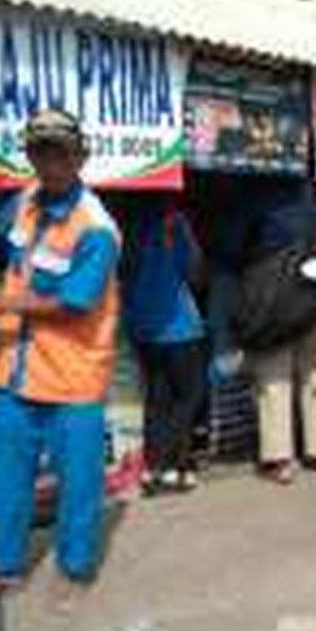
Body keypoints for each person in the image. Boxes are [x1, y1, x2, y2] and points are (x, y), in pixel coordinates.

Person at [0, 109, 120, 600]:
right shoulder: (23, 203)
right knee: (3, 480)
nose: (49, 161)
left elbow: (75, 302)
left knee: (79, 487)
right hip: (14, 372)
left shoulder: (97, 228)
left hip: (74, 378)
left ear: (81, 157)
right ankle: (4, 565)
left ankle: (74, 570)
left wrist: (1, 302)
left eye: (59, 151)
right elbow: (2, 241)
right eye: (39, 151)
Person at [208, 178, 316, 485]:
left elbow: (228, 249)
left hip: (270, 303)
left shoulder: (253, 196)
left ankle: (279, 459)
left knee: (273, 377)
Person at [121, 195, 206, 495]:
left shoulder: (128, 229)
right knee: (188, 397)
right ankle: (174, 466)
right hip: (179, 327)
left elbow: (124, 276)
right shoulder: (175, 224)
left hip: (142, 327)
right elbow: (193, 270)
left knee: (158, 399)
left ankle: (153, 467)